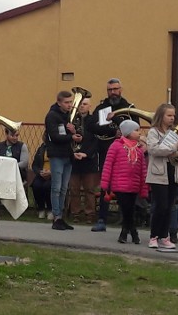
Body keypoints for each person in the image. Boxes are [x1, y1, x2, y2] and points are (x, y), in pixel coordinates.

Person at [87, 77, 136, 232]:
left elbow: (133, 128)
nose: (113, 92)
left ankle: (127, 221)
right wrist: (112, 131)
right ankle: (102, 219)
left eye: (115, 89)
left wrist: (115, 118)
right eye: (110, 90)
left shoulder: (129, 108)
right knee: (105, 185)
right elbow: (91, 126)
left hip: (126, 153)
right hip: (106, 150)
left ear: (121, 89)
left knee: (125, 187)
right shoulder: (102, 107)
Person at [145, 103, 178, 250]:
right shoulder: (153, 132)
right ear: (161, 116)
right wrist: (172, 149)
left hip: (173, 174)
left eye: (173, 115)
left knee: (169, 207)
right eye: (169, 115)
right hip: (158, 175)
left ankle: (164, 236)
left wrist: (177, 153)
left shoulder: (175, 133)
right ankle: (154, 236)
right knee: (160, 206)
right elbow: (153, 149)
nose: (172, 118)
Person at [100, 120, 148, 244]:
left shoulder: (138, 150)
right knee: (126, 208)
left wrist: (144, 188)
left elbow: (143, 170)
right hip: (119, 184)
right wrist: (105, 184)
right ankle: (132, 232)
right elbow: (108, 165)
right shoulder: (116, 146)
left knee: (130, 209)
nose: (139, 133)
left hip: (134, 185)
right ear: (127, 132)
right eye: (136, 130)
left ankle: (126, 232)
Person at [45, 90, 80, 230]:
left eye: (71, 102)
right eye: (66, 102)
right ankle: (56, 216)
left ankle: (61, 216)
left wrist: (74, 131)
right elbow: (55, 137)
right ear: (59, 102)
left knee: (64, 188)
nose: (70, 105)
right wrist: (70, 136)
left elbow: (77, 134)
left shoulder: (69, 116)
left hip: (68, 155)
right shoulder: (52, 116)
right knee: (56, 187)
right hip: (57, 155)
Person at [68, 96, 101, 224]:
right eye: (81, 104)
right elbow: (69, 139)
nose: (82, 106)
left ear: (90, 106)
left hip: (89, 160)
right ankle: (75, 213)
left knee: (89, 190)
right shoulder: (72, 120)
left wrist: (86, 154)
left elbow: (95, 141)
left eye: (85, 104)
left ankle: (89, 214)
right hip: (75, 159)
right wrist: (72, 133)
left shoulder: (93, 120)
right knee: (74, 189)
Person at [30, 143, 53, 219]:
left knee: (47, 186)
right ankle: (41, 208)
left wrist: (51, 172)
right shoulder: (41, 148)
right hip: (41, 174)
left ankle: (50, 209)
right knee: (36, 185)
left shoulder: (58, 149)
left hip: (54, 175)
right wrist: (40, 172)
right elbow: (34, 165)